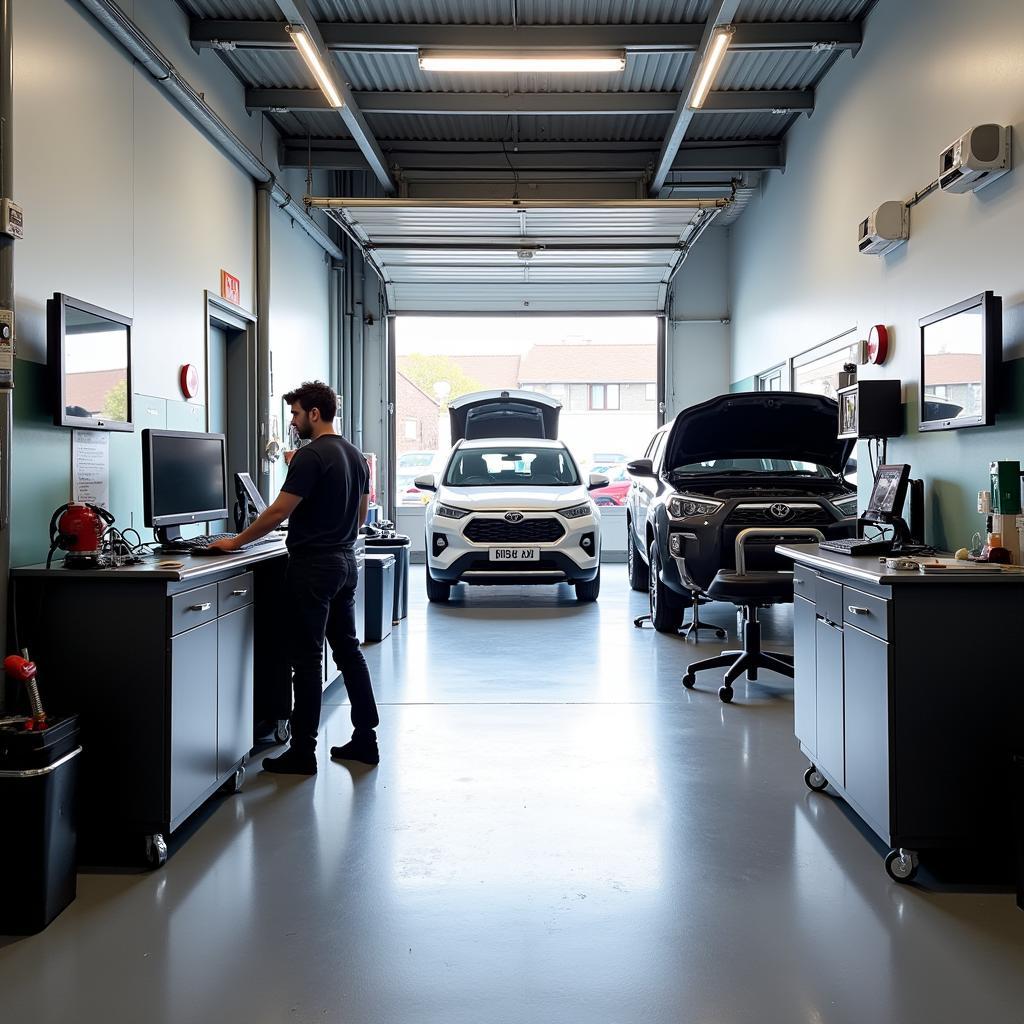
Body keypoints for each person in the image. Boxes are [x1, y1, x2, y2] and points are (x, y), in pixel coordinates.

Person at [208, 381, 380, 775]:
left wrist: (234, 542)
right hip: (344, 563)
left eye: (296, 413)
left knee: (305, 660)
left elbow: (277, 513)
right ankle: (365, 740)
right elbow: (361, 514)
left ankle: (303, 752)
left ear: (314, 414)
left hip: (313, 568)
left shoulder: (310, 455)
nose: (293, 421)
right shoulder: (355, 455)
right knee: (348, 652)